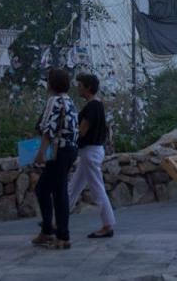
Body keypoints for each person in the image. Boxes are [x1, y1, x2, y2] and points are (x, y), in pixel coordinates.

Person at [32, 68, 78, 250]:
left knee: (47, 190)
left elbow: (48, 129)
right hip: (70, 150)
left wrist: (41, 153)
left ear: (52, 83)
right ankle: (49, 230)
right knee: (56, 191)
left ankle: (60, 235)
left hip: (58, 151)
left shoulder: (55, 100)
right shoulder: (69, 101)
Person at [66, 73, 116, 239]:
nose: (78, 88)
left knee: (97, 188)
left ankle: (108, 224)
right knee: (74, 186)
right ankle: (58, 218)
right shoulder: (97, 105)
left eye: (80, 85)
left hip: (90, 151)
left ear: (87, 87)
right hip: (93, 151)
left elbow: (82, 130)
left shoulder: (91, 107)